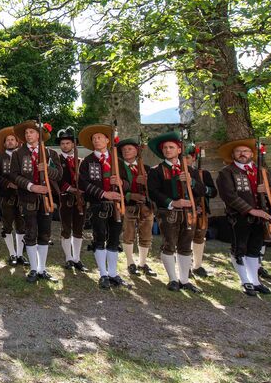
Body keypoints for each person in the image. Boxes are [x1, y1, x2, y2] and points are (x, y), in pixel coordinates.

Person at [216, 138, 271, 297]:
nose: (242, 154)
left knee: (255, 249)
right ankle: (245, 281)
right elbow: (229, 196)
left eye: (246, 151)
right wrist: (250, 210)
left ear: (252, 153)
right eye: (238, 151)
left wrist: (267, 190)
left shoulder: (260, 171)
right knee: (239, 249)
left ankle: (255, 281)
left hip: (261, 216)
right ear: (233, 154)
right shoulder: (227, 172)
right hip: (239, 217)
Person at [146, 132, 206, 293]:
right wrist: (172, 202)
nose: (168, 150)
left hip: (189, 214)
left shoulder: (191, 171)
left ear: (179, 150)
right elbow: (153, 192)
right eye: (165, 148)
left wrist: (191, 182)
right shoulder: (156, 170)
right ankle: (173, 279)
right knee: (169, 245)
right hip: (168, 213)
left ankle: (184, 280)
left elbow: (201, 190)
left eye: (171, 147)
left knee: (185, 246)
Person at [10, 119, 61, 283]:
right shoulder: (18, 153)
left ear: (39, 134)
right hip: (28, 198)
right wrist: (32, 187)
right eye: (26, 133)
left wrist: (47, 169)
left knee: (45, 233)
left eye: (31, 132)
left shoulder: (51, 153)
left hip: (47, 199)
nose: (28, 135)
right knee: (30, 232)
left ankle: (42, 269)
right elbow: (14, 175)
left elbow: (59, 174)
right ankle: (32, 269)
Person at [77, 124, 127, 289]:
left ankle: (113, 273)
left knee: (114, 239)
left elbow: (128, 183)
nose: (97, 140)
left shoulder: (118, 161)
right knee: (99, 238)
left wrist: (121, 183)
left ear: (107, 140)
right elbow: (83, 183)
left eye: (100, 137)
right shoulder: (87, 161)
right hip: (98, 205)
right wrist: (104, 194)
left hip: (117, 206)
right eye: (94, 138)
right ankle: (103, 274)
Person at [118, 138, 155, 277]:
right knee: (128, 235)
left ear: (137, 151)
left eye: (130, 149)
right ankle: (130, 263)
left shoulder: (147, 168)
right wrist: (130, 195)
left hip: (145, 206)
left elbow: (154, 189)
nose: (126, 151)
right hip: (129, 206)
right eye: (124, 149)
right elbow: (116, 187)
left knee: (146, 235)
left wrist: (146, 184)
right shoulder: (119, 168)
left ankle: (143, 263)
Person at [55, 127, 87, 272]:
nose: (65, 146)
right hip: (65, 198)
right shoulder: (56, 160)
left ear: (73, 144)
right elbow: (56, 178)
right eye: (63, 144)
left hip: (80, 200)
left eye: (68, 143)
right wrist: (71, 188)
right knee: (66, 228)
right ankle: (68, 258)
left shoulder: (81, 161)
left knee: (79, 229)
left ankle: (77, 258)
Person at [0, 126, 25, 267]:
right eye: (8, 140)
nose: (11, 142)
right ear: (4, 144)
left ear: (17, 143)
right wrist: (8, 184)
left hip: (23, 196)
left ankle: (19, 254)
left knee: (21, 225)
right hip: (6, 196)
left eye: (13, 139)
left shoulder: (23, 157)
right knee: (7, 225)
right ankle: (11, 253)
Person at [184, 143, 216, 277]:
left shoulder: (203, 174)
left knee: (199, 237)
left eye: (187, 157)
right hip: (184, 211)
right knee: (184, 238)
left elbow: (213, 192)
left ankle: (197, 265)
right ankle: (185, 267)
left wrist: (201, 188)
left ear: (193, 158)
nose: (185, 160)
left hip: (200, 209)